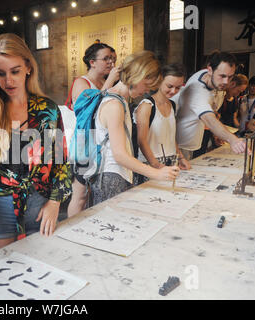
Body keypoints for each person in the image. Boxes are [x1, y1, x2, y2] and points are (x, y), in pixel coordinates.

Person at [0, 33, 71, 251]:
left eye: (15, 71)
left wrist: (55, 202)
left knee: (42, 266)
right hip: (1, 205)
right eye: (0, 73)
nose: (8, 81)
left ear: (28, 67)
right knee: (5, 269)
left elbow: (60, 160)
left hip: (40, 201)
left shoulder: (47, 109)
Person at [88, 51, 180, 206]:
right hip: (111, 176)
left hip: (118, 174)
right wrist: (156, 173)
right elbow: (119, 155)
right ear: (138, 76)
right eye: (147, 85)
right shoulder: (114, 104)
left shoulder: (119, 99)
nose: (147, 91)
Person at [66, 43, 120, 217]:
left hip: (102, 143)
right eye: (106, 59)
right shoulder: (81, 82)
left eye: (112, 58)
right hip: (85, 143)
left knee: (93, 191)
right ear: (92, 62)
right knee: (80, 194)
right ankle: (72, 230)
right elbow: (88, 109)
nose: (111, 62)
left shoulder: (104, 82)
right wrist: (111, 81)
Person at [173, 50, 246, 160]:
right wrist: (233, 140)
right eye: (222, 76)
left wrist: (217, 134)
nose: (226, 82)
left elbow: (213, 110)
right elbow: (209, 119)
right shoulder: (197, 90)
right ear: (210, 70)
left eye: (230, 77)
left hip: (193, 141)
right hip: (180, 145)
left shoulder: (210, 78)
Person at [133, 63, 191, 185]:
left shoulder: (172, 105)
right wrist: (156, 166)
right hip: (150, 164)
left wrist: (180, 157)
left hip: (171, 161)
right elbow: (141, 141)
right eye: (169, 86)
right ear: (159, 81)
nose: (173, 91)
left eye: (178, 87)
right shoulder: (146, 106)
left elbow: (171, 136)